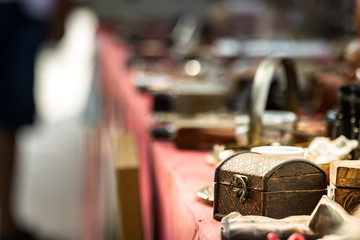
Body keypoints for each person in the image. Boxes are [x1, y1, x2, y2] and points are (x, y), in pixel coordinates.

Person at [0, 0, 76, 239]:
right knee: (8, 122)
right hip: (17, 18)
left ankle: (7, 219)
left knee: (9, 123)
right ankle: (6, 221)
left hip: (24, 16)